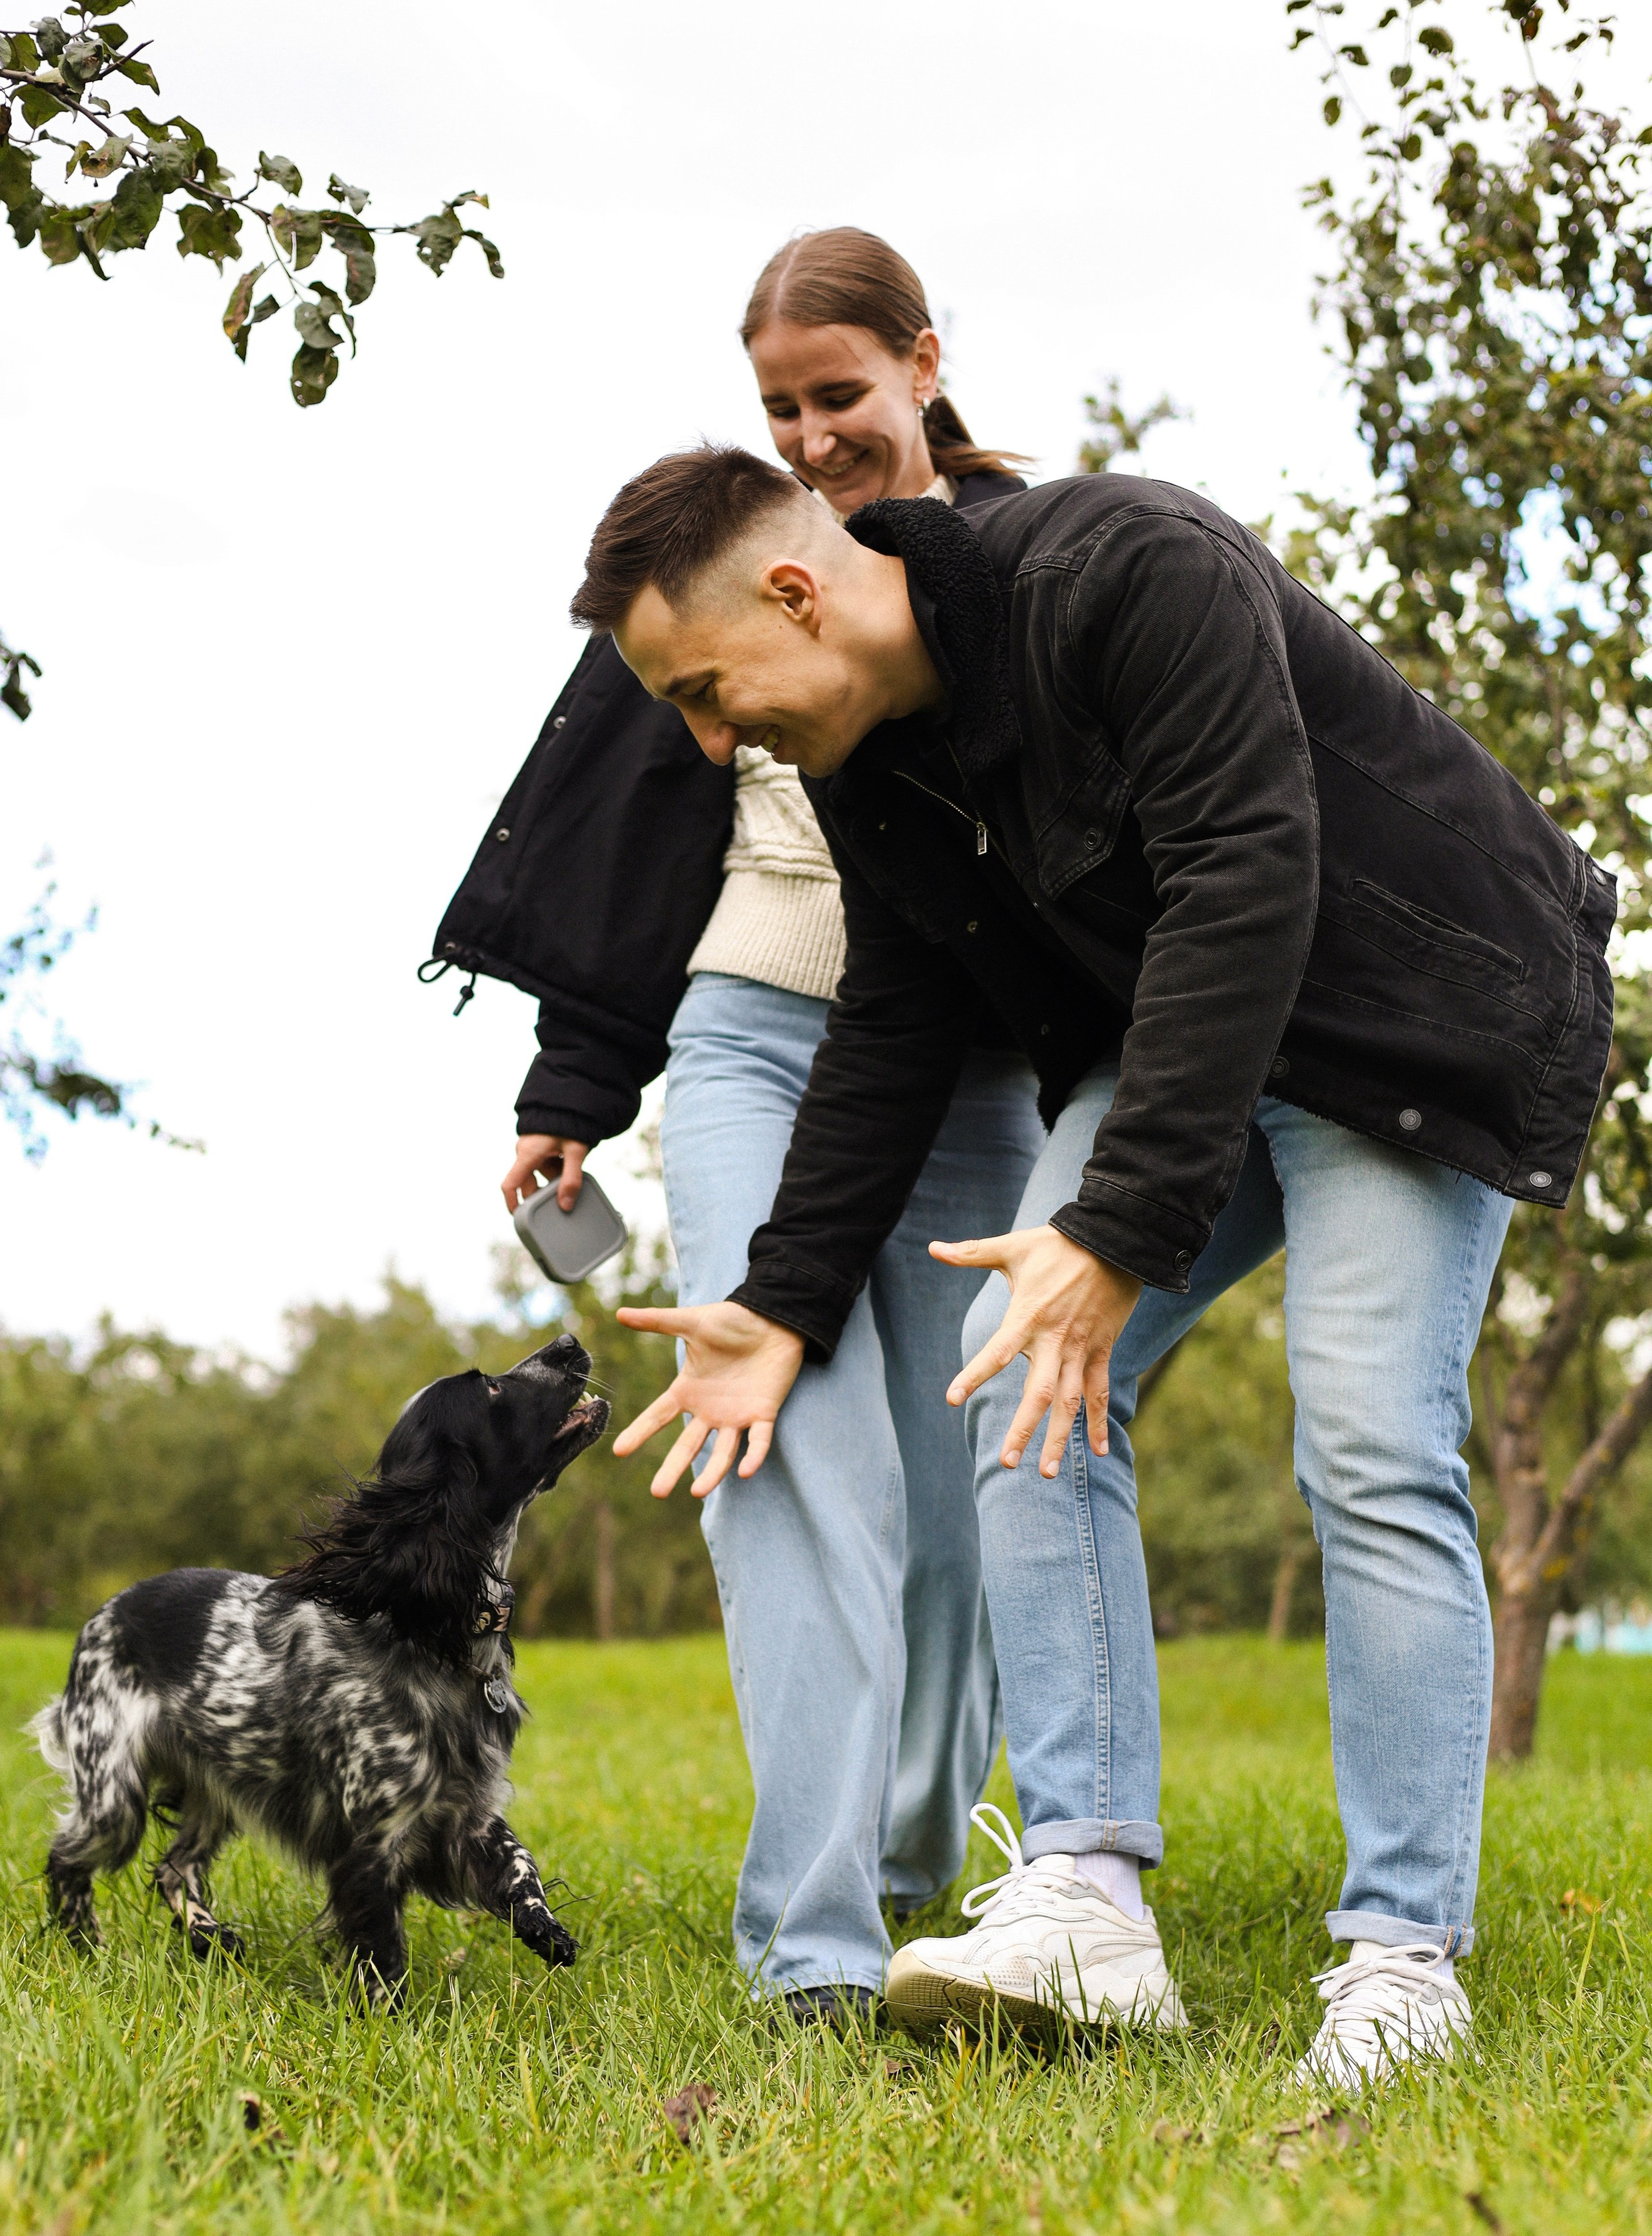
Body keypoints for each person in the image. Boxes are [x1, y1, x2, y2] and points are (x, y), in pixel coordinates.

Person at [586, 443, 1615, 2089]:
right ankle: (1085, 1899)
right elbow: (897, 1017)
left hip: (1404, 1018)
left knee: (1362, 1435)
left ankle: (1404, 1958)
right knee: (1020, 1375)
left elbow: (1243, 872)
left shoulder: (1126, 563)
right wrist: (781, 1305)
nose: (713, 745)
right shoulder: (875, 763)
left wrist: (1113, 1235)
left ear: (796, 590)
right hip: (1190, 1044)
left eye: (707, 694)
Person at [426, 233, 1044, 2022]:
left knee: (956, 1487)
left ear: (926, 366)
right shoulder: (722, 572)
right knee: (776, 1445)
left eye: (839, 395)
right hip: (756, 1039)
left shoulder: (1011, 556)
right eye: (781, 405)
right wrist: (571, 1095)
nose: (815, 432)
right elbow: (641, 832)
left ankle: (921, 1863)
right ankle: (815, 1950)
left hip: (968, 1073)